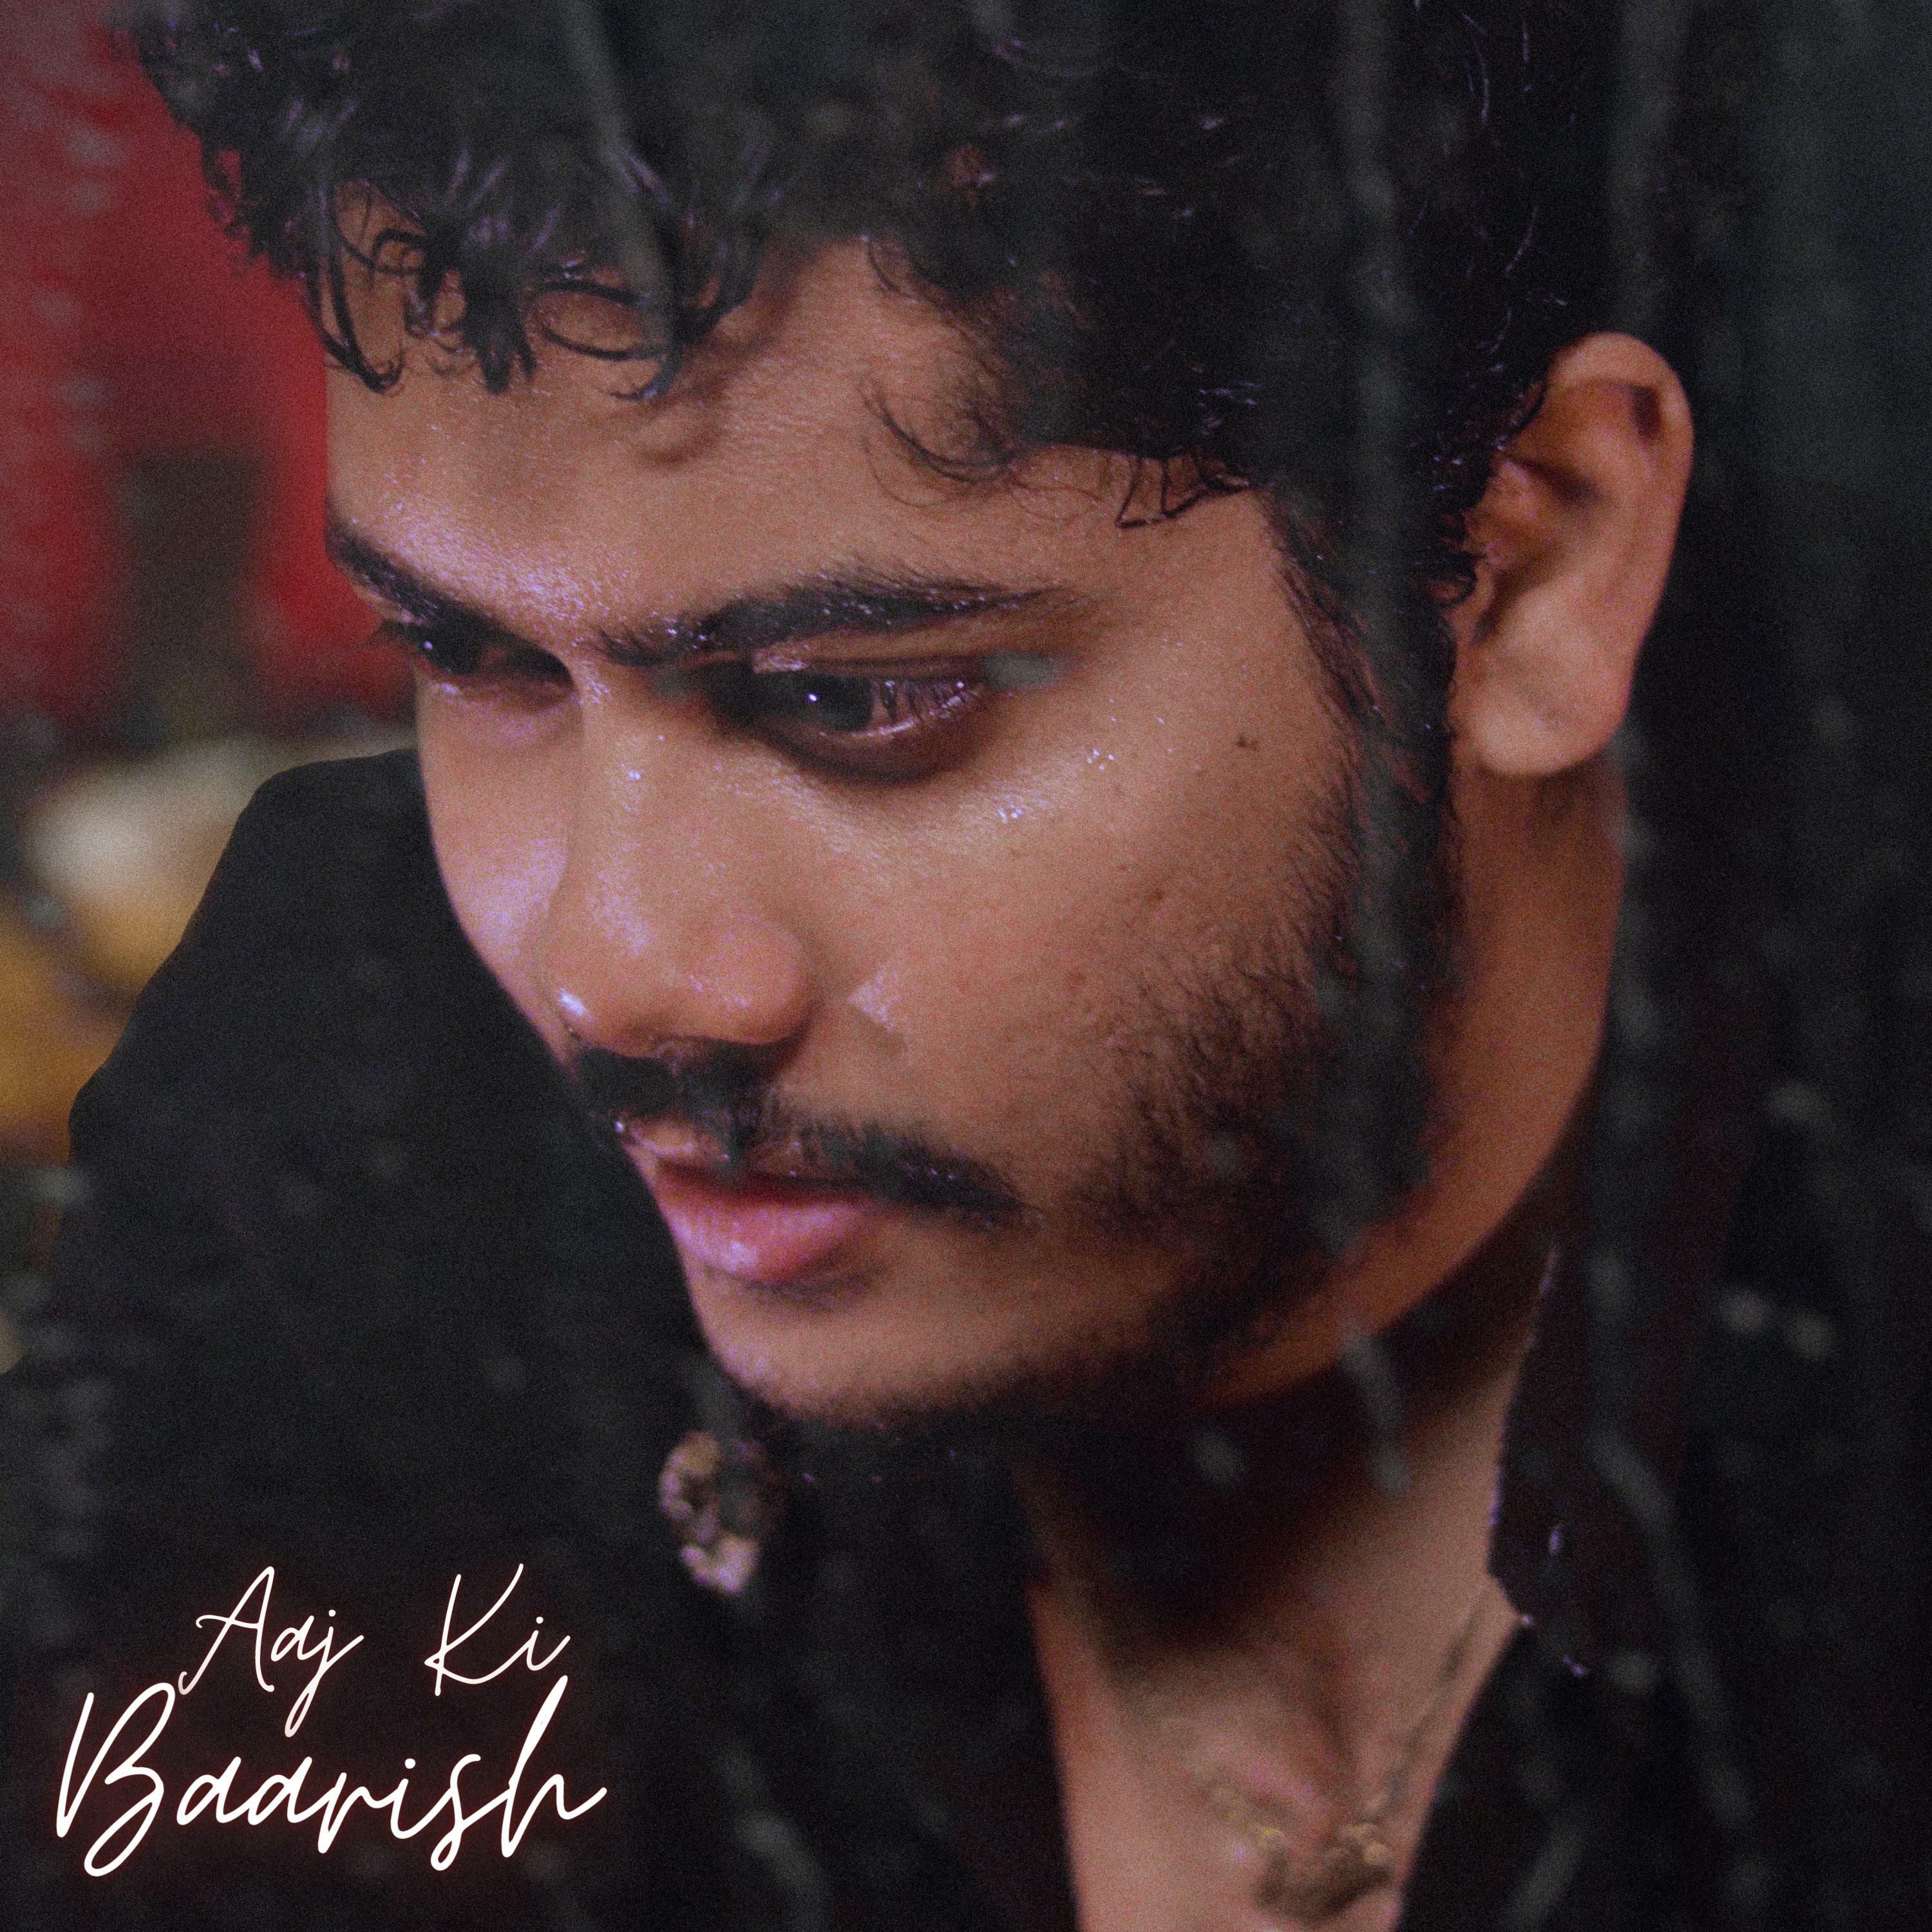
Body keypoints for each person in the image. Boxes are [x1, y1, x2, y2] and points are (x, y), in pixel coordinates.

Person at [5, 3, 1930, 1929]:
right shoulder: (350, 1098)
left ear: (1525, 574)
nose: (615, 973)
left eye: (856, 698)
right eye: (474, 661)